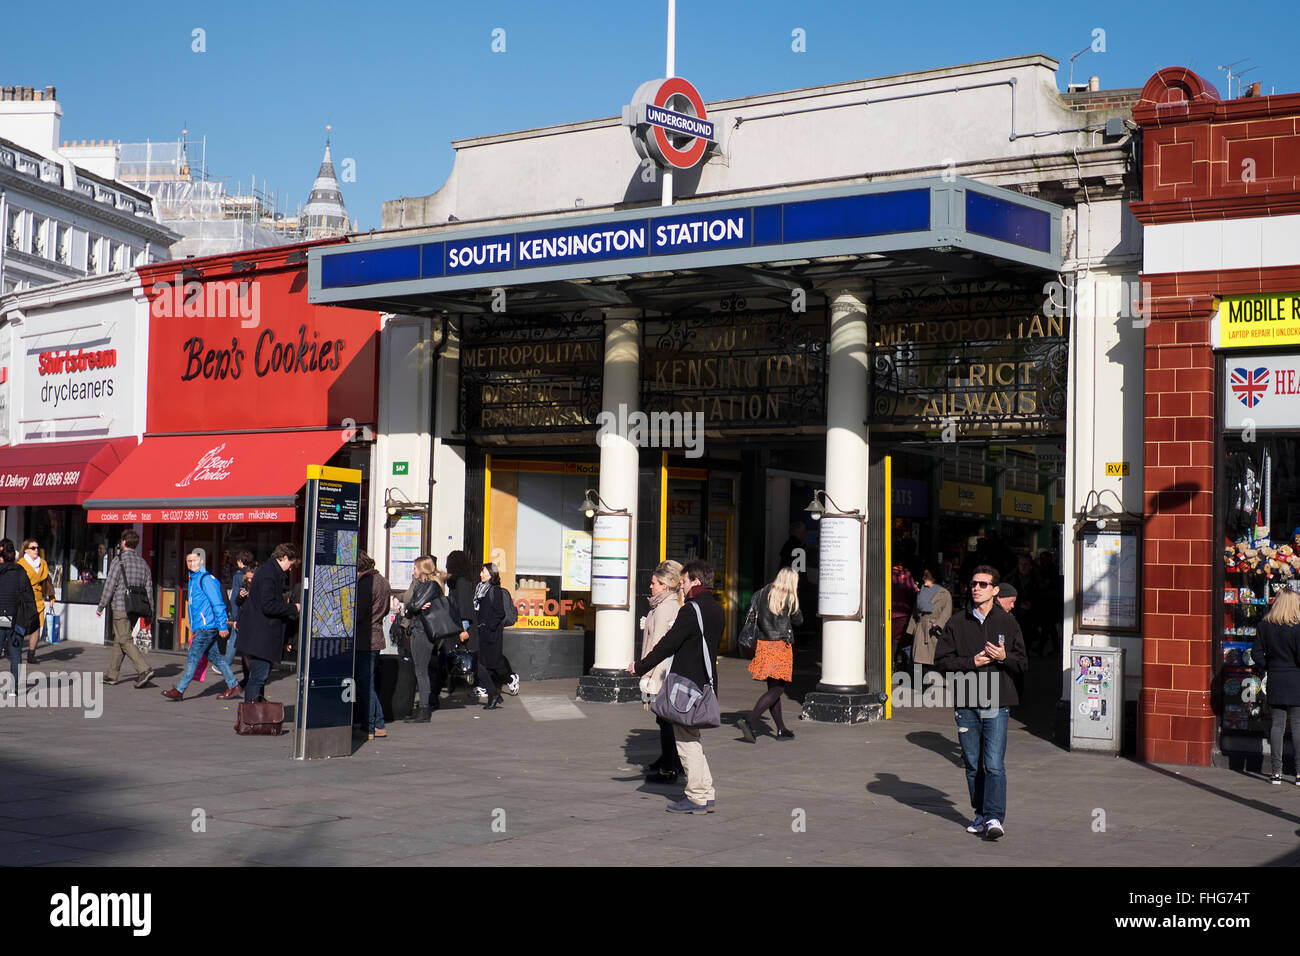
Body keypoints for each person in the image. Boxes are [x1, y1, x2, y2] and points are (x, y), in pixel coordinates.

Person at [935, 564, 1028, 841]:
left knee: (994, 764)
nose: (976, 588)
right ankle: (980, 814)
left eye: (983, 584)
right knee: (973, 764)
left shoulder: (1008, 623)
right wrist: (971, 663)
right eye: (974, 583)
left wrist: (1003, 657)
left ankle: (994, 817)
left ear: (995, 590)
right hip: (966, 702)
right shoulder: (956, 622)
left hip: (996, 702)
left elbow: (1022, 664)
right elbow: (941, 662)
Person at [629, 559, 723, 814]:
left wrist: (640, 666)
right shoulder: (716, 609)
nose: (681, 586)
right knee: (693, 739)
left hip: (685, 685)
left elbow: (667, 644)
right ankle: (706, 792)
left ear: (696, 581)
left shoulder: (691, 610)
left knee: (686, 743)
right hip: (704, 683)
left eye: (684, 582)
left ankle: (695, 796)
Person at [162, 548, 242, 701]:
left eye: (195, 560)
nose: (192, 564)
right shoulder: (194, 579)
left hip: (207, 628)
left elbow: (218, 603)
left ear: (202, 561)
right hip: (203, 627)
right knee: (216, 658)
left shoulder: (206, 579)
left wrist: (222, 625)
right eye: (189, 561)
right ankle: (233, 685)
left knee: (193, 657)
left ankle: (179, 690)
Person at [738, 567, 803, 743]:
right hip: (780, 646)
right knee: (778, 689)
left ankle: (781, 729)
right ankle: (750, 720)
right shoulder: (789, 597)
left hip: (764, 645)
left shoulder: (760, 593)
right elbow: (799, 620)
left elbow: (751, 617)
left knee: (773, 688)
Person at [233, 543, 301, 703]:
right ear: (284, 557)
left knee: (258, 678)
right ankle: (251, 718)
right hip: (261, 637)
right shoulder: (270, 574)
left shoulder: (267, 571)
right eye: (291, 565)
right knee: (258, 677)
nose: (291, 569)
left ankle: (256, 716)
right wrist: (293, 608)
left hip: (258, 635)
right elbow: (268, 605)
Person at [641, 560, 685, 782]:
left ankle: (669, 766)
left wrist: (648, 676)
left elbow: (657, 646)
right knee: (665, 719)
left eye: (654, 583)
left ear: (665, 586)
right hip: (666, 671)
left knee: (665, 719)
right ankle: (670, 760)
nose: (651, 587)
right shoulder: (668, 605)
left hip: (660, 672)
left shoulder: (664, 608)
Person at [95, 530, 155, 688]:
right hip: (136, 607)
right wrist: (151, 611)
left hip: (121, 605)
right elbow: (149, 589)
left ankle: (144, 669)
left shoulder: (118, 560)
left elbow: (110, 585)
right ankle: (111, 674)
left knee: (124, 639)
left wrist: (102, 605)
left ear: (123, 542)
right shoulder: (143, 563)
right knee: (119, 639)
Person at [1252, 588, 1300, 785]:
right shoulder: (1297, 627)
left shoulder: (1264, 626)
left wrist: (1269, 666)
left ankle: (1276, 772)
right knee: (1298, 726)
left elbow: (1256, 654)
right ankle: (1299, 772)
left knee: (1277, 725)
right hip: (1296, 678)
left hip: (1276, 678)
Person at [400, 555, 451, 722]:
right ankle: (423, 707)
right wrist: (411, 608)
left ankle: (424, 710)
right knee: (420, 670)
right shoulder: (423, 585)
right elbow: (411, 607)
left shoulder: (430, 585)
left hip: (422, 631)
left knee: (421, 671)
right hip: (418, 629)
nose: (412, 571)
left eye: (415, 568)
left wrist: (412, 608)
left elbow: (411, 607)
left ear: (422, 569)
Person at [464, 563, 519, 709]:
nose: (481, 575)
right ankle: (493, 694)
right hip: (480, 633)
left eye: (484, 572)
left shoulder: (494, 590)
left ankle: (509, 678)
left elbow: (499, 613)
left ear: (491, 574)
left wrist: (488, 627)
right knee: (482, 665)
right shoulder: (479, 589)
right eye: (481, 572)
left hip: (491, 634)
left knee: (493, 664)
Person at [356, 551, 392, 739]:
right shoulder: (383, 581)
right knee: (367, 682)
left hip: (364, 638)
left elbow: (358, 612)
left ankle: (369, 727)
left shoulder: (365, 584)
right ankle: (378, 724)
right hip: (376, 635)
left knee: (365, 684)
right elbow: (385, 609)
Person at [0, 539, 39, 698]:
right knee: (16, 654)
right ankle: (13, 689)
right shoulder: (21, 572)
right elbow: (29, 598)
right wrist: (31, 620)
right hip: (16, 620)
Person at [444, 551, 481, 700]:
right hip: (456, 625)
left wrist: (464, 629)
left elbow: (465, 607)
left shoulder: (461, 583)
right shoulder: (456, 582)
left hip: (461, 627)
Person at [906, 564, 953, 674]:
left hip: (933, 631)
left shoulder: (944, 594)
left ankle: (928, 684)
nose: (923, 578)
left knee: (931, 660)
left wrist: (939, 625)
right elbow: (914, 612)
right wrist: (911, 630)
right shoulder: (921, 592)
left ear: (934, 577)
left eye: (926, 575)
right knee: (918, 660)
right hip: (920, 629)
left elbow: (946, 613)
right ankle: (919, 685)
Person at [19, 539, 53, 665]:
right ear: (26, 550)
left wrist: (52, 597)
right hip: (25, 599)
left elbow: (47, 581)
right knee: (21, 626)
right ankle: (16, 649)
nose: (36, 550)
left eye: (37, 548)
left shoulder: (42, 563)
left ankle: (31, 654)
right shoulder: (20, 564)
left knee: (36, 627)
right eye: (33, 548)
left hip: (38, 599)